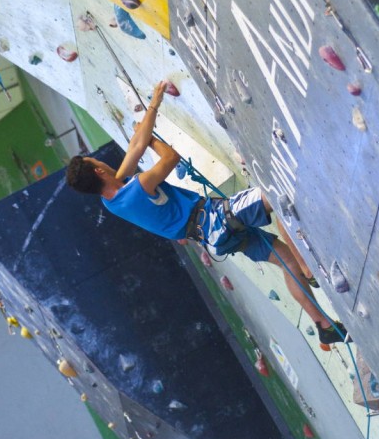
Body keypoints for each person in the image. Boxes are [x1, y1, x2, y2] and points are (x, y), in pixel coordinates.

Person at [66, 81, 349, 345]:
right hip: (215, 220)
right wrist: (153, 140)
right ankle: (308, 268)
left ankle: (323, 326)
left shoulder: (112, 200)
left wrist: (154, 105)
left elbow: (134, 147)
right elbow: (169, 157)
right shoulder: (136, 188)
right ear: (99, 170)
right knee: (272, 193)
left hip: (211, 238)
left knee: (283, 257)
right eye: (96, 161)